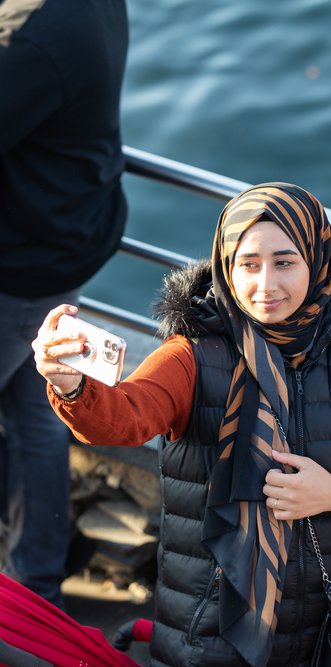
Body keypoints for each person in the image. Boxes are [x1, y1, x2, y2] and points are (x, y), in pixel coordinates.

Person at [32, 183, 331, 667]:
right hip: (213, 623)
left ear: (317, 259)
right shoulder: (194, 351)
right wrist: (73, 386)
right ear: (225, 266)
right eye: (248, 264)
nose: (265, 286)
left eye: (285, 262)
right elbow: (127, 417)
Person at [0, 0, 128, 608]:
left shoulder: (30, 37)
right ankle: (36, 590)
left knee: (31, 413)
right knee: (34, 417)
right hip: (68, 236)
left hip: (17, 261)